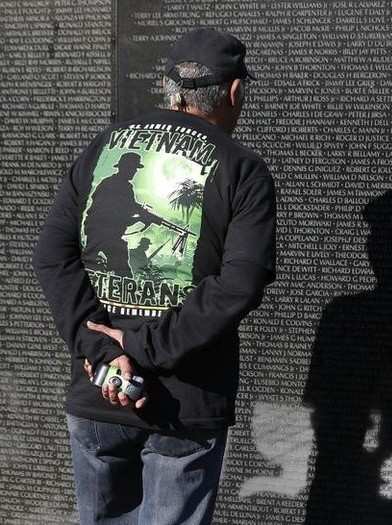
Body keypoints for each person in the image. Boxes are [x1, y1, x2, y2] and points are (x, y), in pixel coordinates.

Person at [32, 28, 276, 525]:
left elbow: (51, 256)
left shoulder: (103, 148)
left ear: (170, 88)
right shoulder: (242, 169)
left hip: (98, 389)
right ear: (234, 92)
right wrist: (142, 350)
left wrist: (103, 349)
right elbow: (239, 284)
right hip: (184, 403)